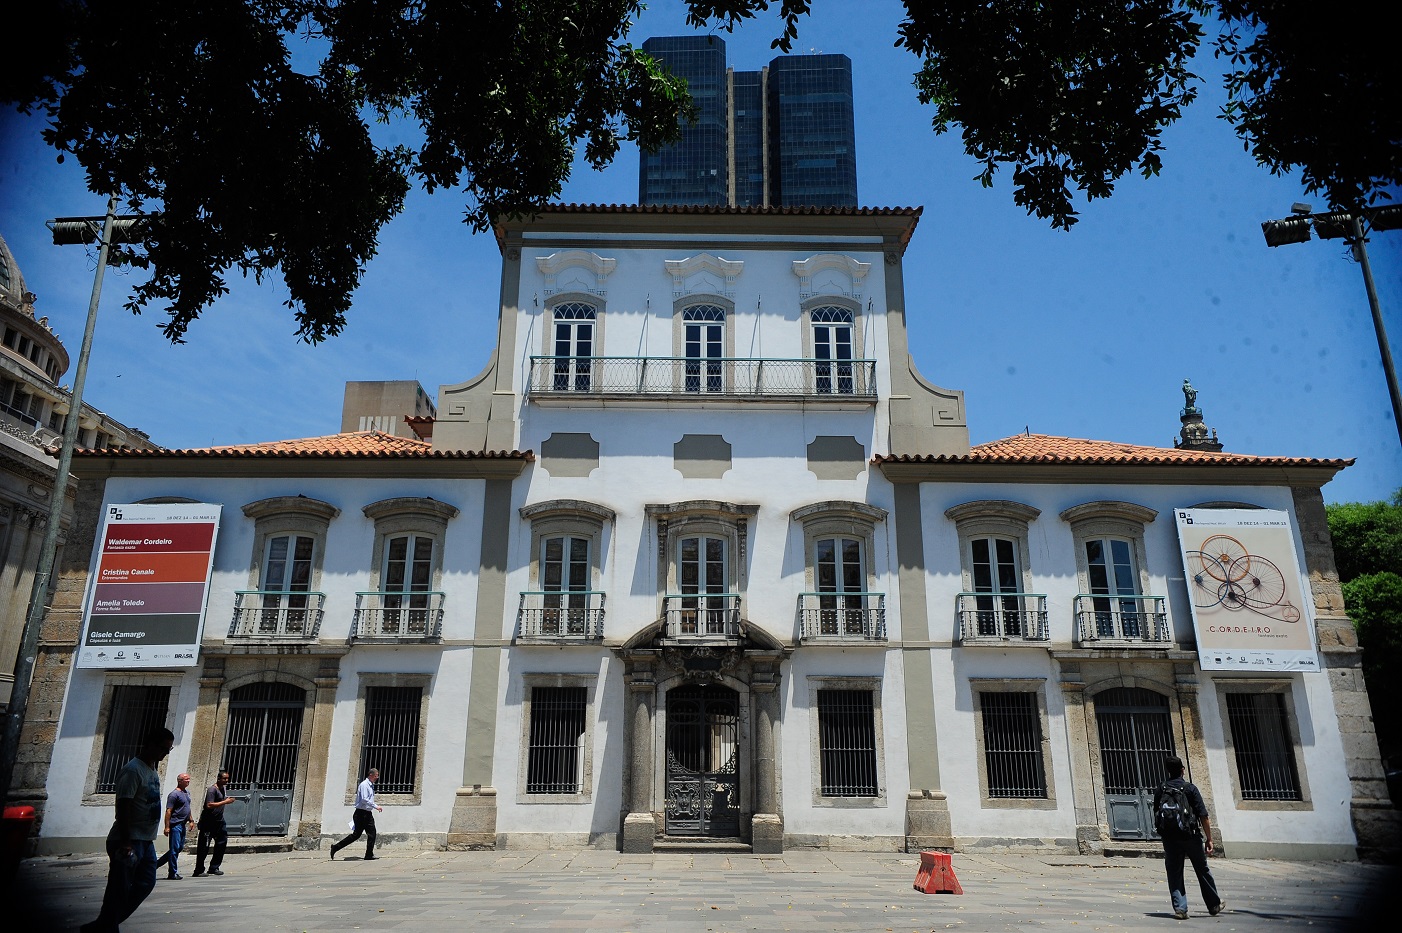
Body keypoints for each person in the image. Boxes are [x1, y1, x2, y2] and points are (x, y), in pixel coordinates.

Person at [80, 725, 175, 933]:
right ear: (149, 744)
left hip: (145, 840)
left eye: (169, 750)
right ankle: (107, 926)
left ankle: (104, 924)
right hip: (128, 840)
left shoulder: (151, 768)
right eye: (162, 748)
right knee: (119, 888)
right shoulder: (133, 770)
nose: (165, 754)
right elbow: (123, 806)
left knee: (146, 883)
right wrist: (125, 842)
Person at [1154, 756, 1225, 920]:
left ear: (1168, 771)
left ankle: (1180, 908)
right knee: (1202, 870)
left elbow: (1157, 812)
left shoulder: (1161, 789)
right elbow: (1203, 815)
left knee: (1174, 872)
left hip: (1170, 839)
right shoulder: (1190, 788)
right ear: (1182, 770)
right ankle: (1214, 904)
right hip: (1191, 836)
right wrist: (1209, 838)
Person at [330, 767, 382, 860]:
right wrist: (376, 806)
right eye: (375, 776)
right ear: (370, 775)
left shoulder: (370, 785)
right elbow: (364, 799)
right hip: (361, 814)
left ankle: (369, 854)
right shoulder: (364, 785)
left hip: (368, 814)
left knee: (372, 834)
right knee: (356, 835)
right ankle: (335, 847)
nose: (376, 778)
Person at [191, 769, 233, 877]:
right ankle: (199, 870)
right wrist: (225, 802)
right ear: (218, 779)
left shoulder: (223, 788)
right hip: (209, 822)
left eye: (227, 778)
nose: (226, 781)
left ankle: (214, 867)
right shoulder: (211, 790)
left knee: (221, 843)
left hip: (219, 821)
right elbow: (209, 805)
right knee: (204, 846)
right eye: (224, 778)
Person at [154, 772, 193, 880]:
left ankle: (155, 865)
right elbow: (168, 811)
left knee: (178, 848)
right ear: (180, 781)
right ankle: (172, 873)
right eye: (186, 779)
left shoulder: (187, 793)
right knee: (174, 849)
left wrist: (191, 820)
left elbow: (187, 807)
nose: (188, 781)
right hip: (175, 824)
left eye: (189, 779)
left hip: (183, 824)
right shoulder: (174, 794)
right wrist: (167, 827)